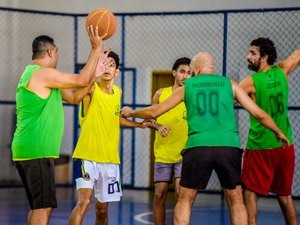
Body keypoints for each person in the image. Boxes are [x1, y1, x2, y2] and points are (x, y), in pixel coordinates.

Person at [121, 51, 290, 225]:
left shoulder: (189, 86)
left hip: (198, 146)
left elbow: (154, 111)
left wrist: (131, 112)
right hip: (228, 146)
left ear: (196, 68)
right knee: (236, 200)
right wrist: (278, 131)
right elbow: (258, 113)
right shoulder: (229, 84)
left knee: (185, 199)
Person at [11, 26, 105, 225]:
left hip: (30, 148)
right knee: (42, 208)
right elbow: (80, 80)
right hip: (36, 150)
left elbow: (74, 97)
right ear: (51, 52)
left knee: (39, 207)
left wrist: (93, 76)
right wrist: (96, 48)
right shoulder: (42, 74)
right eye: (57, 52)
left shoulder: (40, 77)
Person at [68, 51, 150, 225]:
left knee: (102, 210)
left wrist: (138, 124)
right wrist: (92, 73)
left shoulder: (117, 93)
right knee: (83, 203)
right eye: (104, 64)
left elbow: (114, 118)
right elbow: (76, 89)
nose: (107, 68)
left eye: (111, 65)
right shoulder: (91, 88)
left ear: (117, 72)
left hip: (110, 159)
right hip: (86, 156)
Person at [240, 37, 299, 225]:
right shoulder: (283, 70)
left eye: (253, 53)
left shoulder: (250, 81)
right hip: (285, 146)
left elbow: (227, 97)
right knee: (285, 196)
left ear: (264, 57)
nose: (248, 56)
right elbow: (298, 54)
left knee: (250, 195)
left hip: (260, 147)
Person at [150, 57, 191, 225]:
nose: (185, 76)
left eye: (189, 73)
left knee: (181, 195)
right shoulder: (161, 93)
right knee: (160, 194)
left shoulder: (192, 96)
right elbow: (150, 120)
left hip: (184, 153)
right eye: (182, 71)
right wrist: (158, 126)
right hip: (163, 152)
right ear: (174, 72)